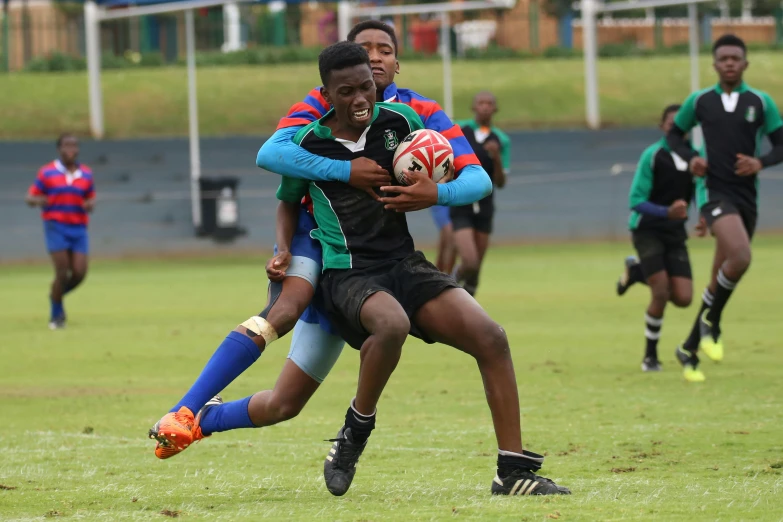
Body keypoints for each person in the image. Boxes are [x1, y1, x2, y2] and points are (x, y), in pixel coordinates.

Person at [147, 20, 484, 460]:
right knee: (284, 309)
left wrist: (436, 191)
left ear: (396, 63)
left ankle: (205, 420)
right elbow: (272, 155)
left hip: (369, 263)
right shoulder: (323, 102)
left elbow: (475, 174)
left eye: (385, 49)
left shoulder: (416, 113)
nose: (376, 55)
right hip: (313, 234)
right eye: (366, 48)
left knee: (286, 403)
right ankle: (183, 410)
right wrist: (343, 176)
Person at [276, 41, 570, 497]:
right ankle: (356, 432)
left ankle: (511, 471)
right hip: (348, 271)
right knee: (391, 324)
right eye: (347, 91)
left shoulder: (404, 123)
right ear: (327, 94)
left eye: (367, 87)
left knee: (491, 338)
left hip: (403, 263)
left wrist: (433, 190)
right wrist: (282, 247)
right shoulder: (306, 143)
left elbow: (460, 172)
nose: (360, 99)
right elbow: (286, 199)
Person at [667, 34, 783, 382]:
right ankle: (712, 322)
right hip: (714, 194)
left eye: (736, 58)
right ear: (715, 64)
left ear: (745, 63)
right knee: (742, 257)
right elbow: (674, 136)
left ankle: (688, 347)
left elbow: (781, 145)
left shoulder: (761, 102)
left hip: (747, 198)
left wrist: (760, 162)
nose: (730, 63)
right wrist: (692, 159)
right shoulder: (699, 100)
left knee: (724, 272)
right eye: (723, 58)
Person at [616, 104, 700, 372]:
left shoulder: (695, 158)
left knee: (684, 298)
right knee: (661, 290)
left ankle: (636, 271)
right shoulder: (653, 156)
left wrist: (706, 216)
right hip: (647, 229)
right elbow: (635, 201)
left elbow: (701, 189)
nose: (676, 127)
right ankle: (650, 357)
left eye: (681, 123)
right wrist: (667, 211)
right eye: (671, 123)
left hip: (675, 233)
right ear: (662, 126)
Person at [25, 133, 95, 330]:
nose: (70, 149)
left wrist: (90, 204)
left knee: (80, 273)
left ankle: (55, 295)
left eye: (74, 145)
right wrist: (39, 200)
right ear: (59, 149)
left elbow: (90, 197)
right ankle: (56, 315)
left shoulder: (86, 174)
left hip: (79, 227)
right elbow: (30, 197)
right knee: (62, 272)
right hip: (56, 226)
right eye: (66, 146)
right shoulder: (48, 173)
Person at [450, 91, 509, 296]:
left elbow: (501, 182)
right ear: (473, 107)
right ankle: (448, 285)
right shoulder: (459, 130)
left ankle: (467, 311)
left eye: (489, 103)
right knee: (469, 260)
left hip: (485, 204)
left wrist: (496, 157)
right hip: (461, 202)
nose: (485, 107)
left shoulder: (501, 139)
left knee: (475, 271)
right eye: (481, 103)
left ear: (495, 109)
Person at [430, 205, 457, 274]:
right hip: (441, 202)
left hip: (457, 201)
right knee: (451, 237)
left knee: (445, 244)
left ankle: (437, 276)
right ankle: (448, 278)